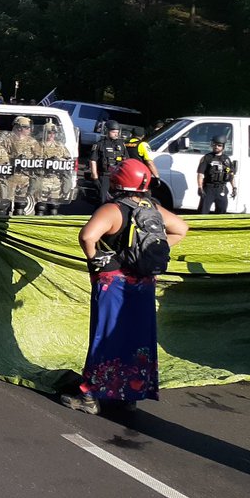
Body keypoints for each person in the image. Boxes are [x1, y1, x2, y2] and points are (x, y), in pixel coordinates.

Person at [63, 159, 187, 414]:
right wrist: (144, 255)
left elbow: (88, 236)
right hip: (144, 283)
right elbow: (181, 229)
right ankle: (129, 393)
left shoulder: (112, 209)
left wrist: (98, 258)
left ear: (119, 181)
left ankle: (90, 396)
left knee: (106, 336)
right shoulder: (153, 207)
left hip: (114, 283)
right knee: (137, 338)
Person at [89, 121, 127, 205]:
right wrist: (94, 177)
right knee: (103, 199)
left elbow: (126, 160)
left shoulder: (121, 144)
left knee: (118, 199)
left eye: (117, 132)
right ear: (107, 131)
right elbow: (93, 160)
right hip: (105, 175)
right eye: (113, 132)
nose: (116, 134)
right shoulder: (100, 144)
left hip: (118, 176)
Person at [196, 135, 236, 214]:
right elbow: (200, 174)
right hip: (208, 188)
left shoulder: (227, 159)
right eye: (214, 145)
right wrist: (200, 187)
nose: (216, 147)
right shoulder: (207, 158)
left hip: (222, 188)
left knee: (221, 211)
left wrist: (234, 188)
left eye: (219, 145)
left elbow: (231, 175)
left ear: (223, 146)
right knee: (203, 212)